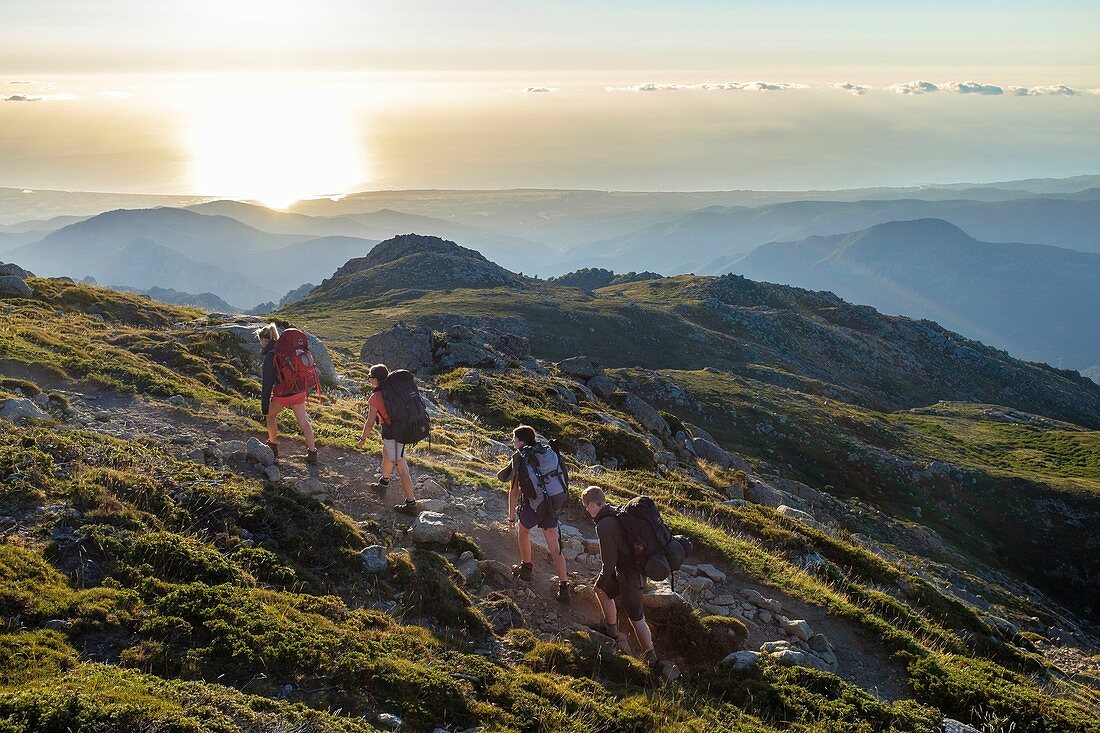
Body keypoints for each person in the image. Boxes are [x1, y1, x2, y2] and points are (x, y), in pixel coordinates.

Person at [582, 484, 661, 672]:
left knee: (636, 618)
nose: (587, 510)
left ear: (593, 505)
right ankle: (612, 633)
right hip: (630, 570)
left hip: (629, 575)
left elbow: (608, 562)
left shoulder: (603, 524)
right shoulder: (615, 512)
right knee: (602, 591)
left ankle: (653, 659)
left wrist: (600, 579)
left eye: (586, 506)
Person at [497, 425, 570, 603]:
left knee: (523, 532)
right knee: (555, 547)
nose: (512, 441)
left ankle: (526, 568)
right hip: (554, 502)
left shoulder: (521, 458)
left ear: (521, 441)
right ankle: (564, 586)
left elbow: (514, 492)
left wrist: (511, 518)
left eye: (514, 438)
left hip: (535, 504)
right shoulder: (546, 451)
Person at [357, 363, 418, 516]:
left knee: (401, 468)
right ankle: (383, 485)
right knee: (386, 454)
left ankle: (411, 504)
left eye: (370, 377)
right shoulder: (394, 390)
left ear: (376, 379)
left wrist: (363, 439)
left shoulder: (376, 397)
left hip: (394, 434)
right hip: (399, 430)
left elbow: (370, 422)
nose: (369, 380)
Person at [257, 323, 317, 464]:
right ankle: (313, 453)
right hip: (299, 391)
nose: (261, 344)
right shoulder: (288, 350)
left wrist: (264, 406)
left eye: (260, 341)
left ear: (265, 340)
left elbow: (267, 384)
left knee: (270, 416)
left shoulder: (272, 355)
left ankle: (273, 446)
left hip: (283, 394)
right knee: (303, 422)